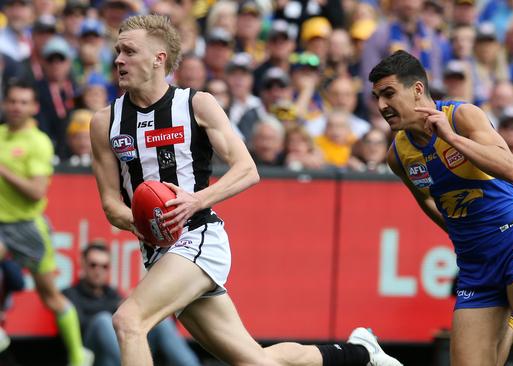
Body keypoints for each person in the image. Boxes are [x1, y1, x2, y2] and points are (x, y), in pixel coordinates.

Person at [89, 14, 401, 366]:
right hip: (158, 251)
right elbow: (110, 204)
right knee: (254, 361)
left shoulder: (196, 104)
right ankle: (361, 353)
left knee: (128, 321)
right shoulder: (105, 121)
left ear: (159, 59)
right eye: (117, 51)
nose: (118, 59)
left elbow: (247, 170)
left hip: (198, 236)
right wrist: (142, 221)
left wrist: (195, 201)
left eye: (129, 51)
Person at [369, 50, 513, 366]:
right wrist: (464, 233)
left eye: (389, 94)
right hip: (474, 264)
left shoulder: (462, 116)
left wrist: (452, 139)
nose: (381, 106)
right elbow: (427, 201)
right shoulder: (397, 156)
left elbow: (510, 169)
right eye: (377, 97)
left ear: (417, 89)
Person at [0, 78, 93, 366]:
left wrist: (3, 170)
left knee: (50, 296)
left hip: (27, 226)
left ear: (34, 107)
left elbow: (37, 192)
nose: (17, 107)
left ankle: (78, 354)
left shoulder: (38, 142)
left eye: (23, 102)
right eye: (13, 101)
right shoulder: (1, 134)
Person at [63, 241, 201, 366]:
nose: (98, 271)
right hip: (94, 357)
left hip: (120, 350)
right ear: (83, 264)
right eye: (93, 265)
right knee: (102, 320)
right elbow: (81, 326)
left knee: (162, 323)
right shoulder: (70, 294)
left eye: (104, 266)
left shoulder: (113, 293)